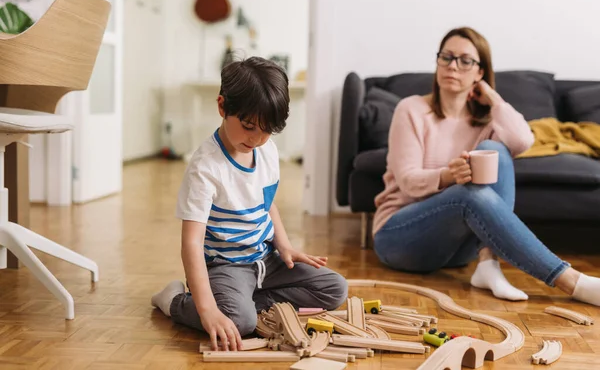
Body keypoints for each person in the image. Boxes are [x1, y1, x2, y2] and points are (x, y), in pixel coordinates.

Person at [372, 27, 600, 306]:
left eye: (465, 60)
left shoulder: (486, 121)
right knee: (469, 194)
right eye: (446, 57)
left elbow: (522, 140)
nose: (453, 66)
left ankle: (487, 262)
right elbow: (407, 181)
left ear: (480, 72)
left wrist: (492, 98)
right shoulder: (412, 109)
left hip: (456, 250)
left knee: (497, 151)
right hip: (399, 238)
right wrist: (447, 176)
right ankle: (571, 281)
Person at [151, 57, 348, 351]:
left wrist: (285, 246)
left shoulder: (266, 150)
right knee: (240, 324)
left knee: (335, 288)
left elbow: (268, 205)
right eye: (248, 126)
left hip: (265, 259)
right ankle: (176, 302)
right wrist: (206, 310)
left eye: (266, 130)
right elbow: (191, 244)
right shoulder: (205, 167)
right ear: (222, 106)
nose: (256, 139)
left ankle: (242, 302)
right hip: (225, 266)